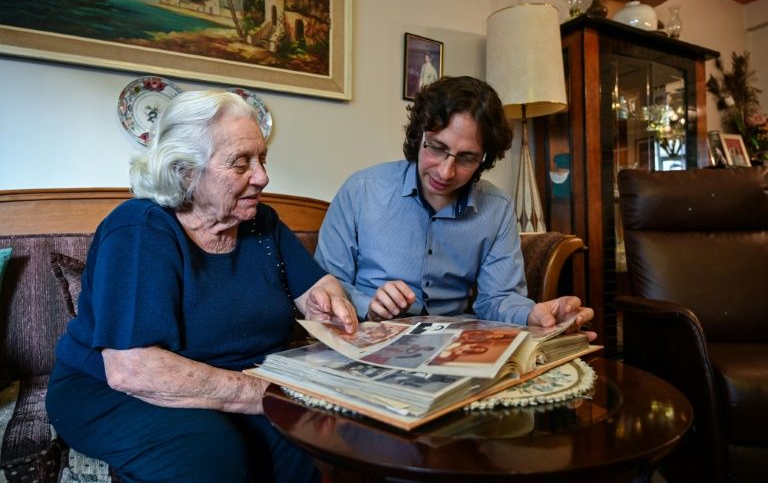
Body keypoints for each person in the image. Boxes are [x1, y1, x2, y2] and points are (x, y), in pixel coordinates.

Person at [45, 91, 357, 483]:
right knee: (208, 452)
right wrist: (273, 395)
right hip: (109, 390)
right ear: (185, 171)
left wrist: (329, 302)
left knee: (303, 447)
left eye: (262, 159)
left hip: (233, 381)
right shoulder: (141, 229)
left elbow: (318, 286)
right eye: (241, 163)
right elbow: (132, 370)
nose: (262, 176)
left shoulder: (263, 224)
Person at [315, 76, 595, 338]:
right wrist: (368, 306)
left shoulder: (497, 209)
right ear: (419, 136)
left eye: (466, 158)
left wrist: (533, 313)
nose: (446, 172)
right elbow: (324, 283)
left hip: (454, 346)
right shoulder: (361, 190)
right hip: (367, 336)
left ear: (484, 159)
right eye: (437, 148)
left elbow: (497, 299)